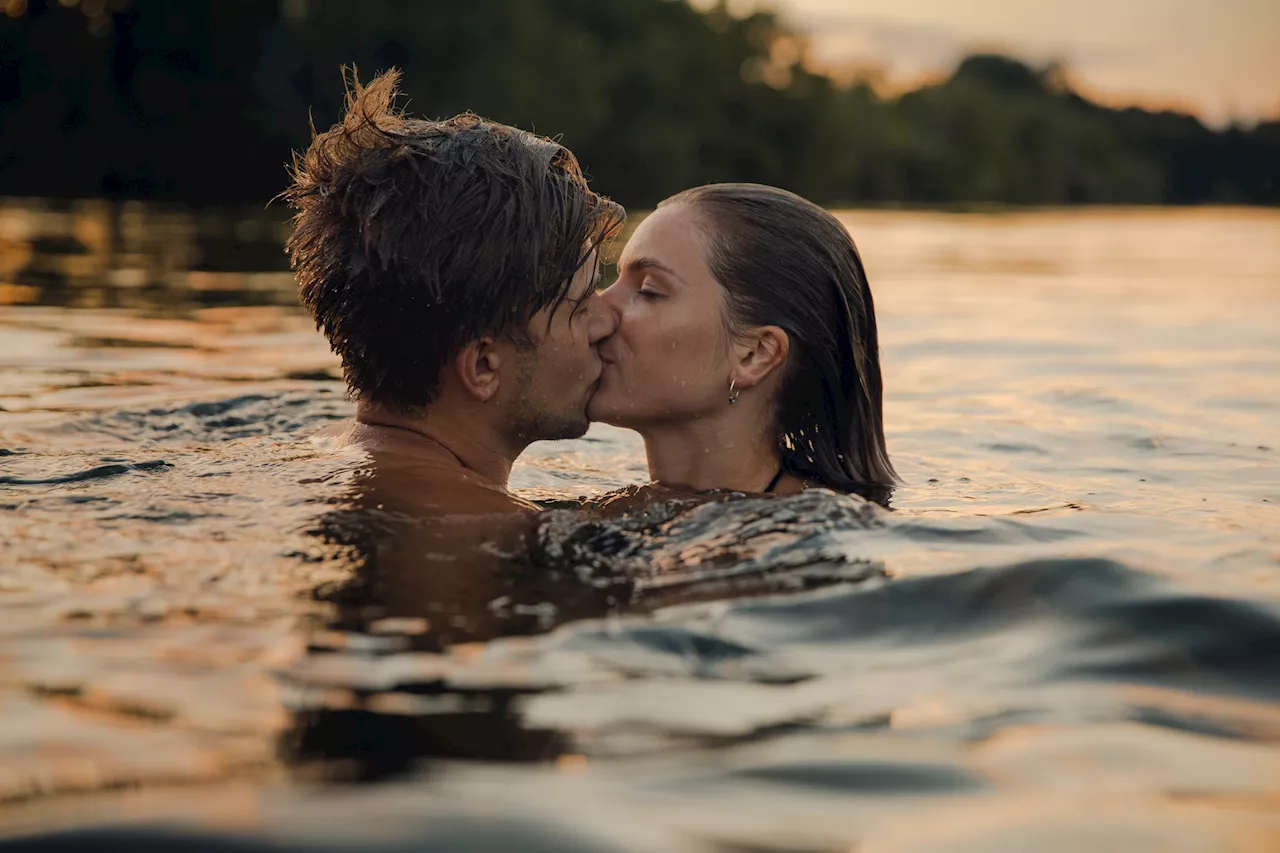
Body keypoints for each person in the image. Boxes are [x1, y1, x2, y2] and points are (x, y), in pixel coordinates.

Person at [282, 68, 624, 642]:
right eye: (582, 300)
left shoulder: (308, 459)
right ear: (484, 366)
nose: (609, 318)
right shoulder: (487, 534)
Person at [587, 183, 897, 503]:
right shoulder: (627, 511)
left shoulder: (786, 540)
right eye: (615, 279)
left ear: (755, 355)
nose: (597, 312)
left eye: (649, 290)